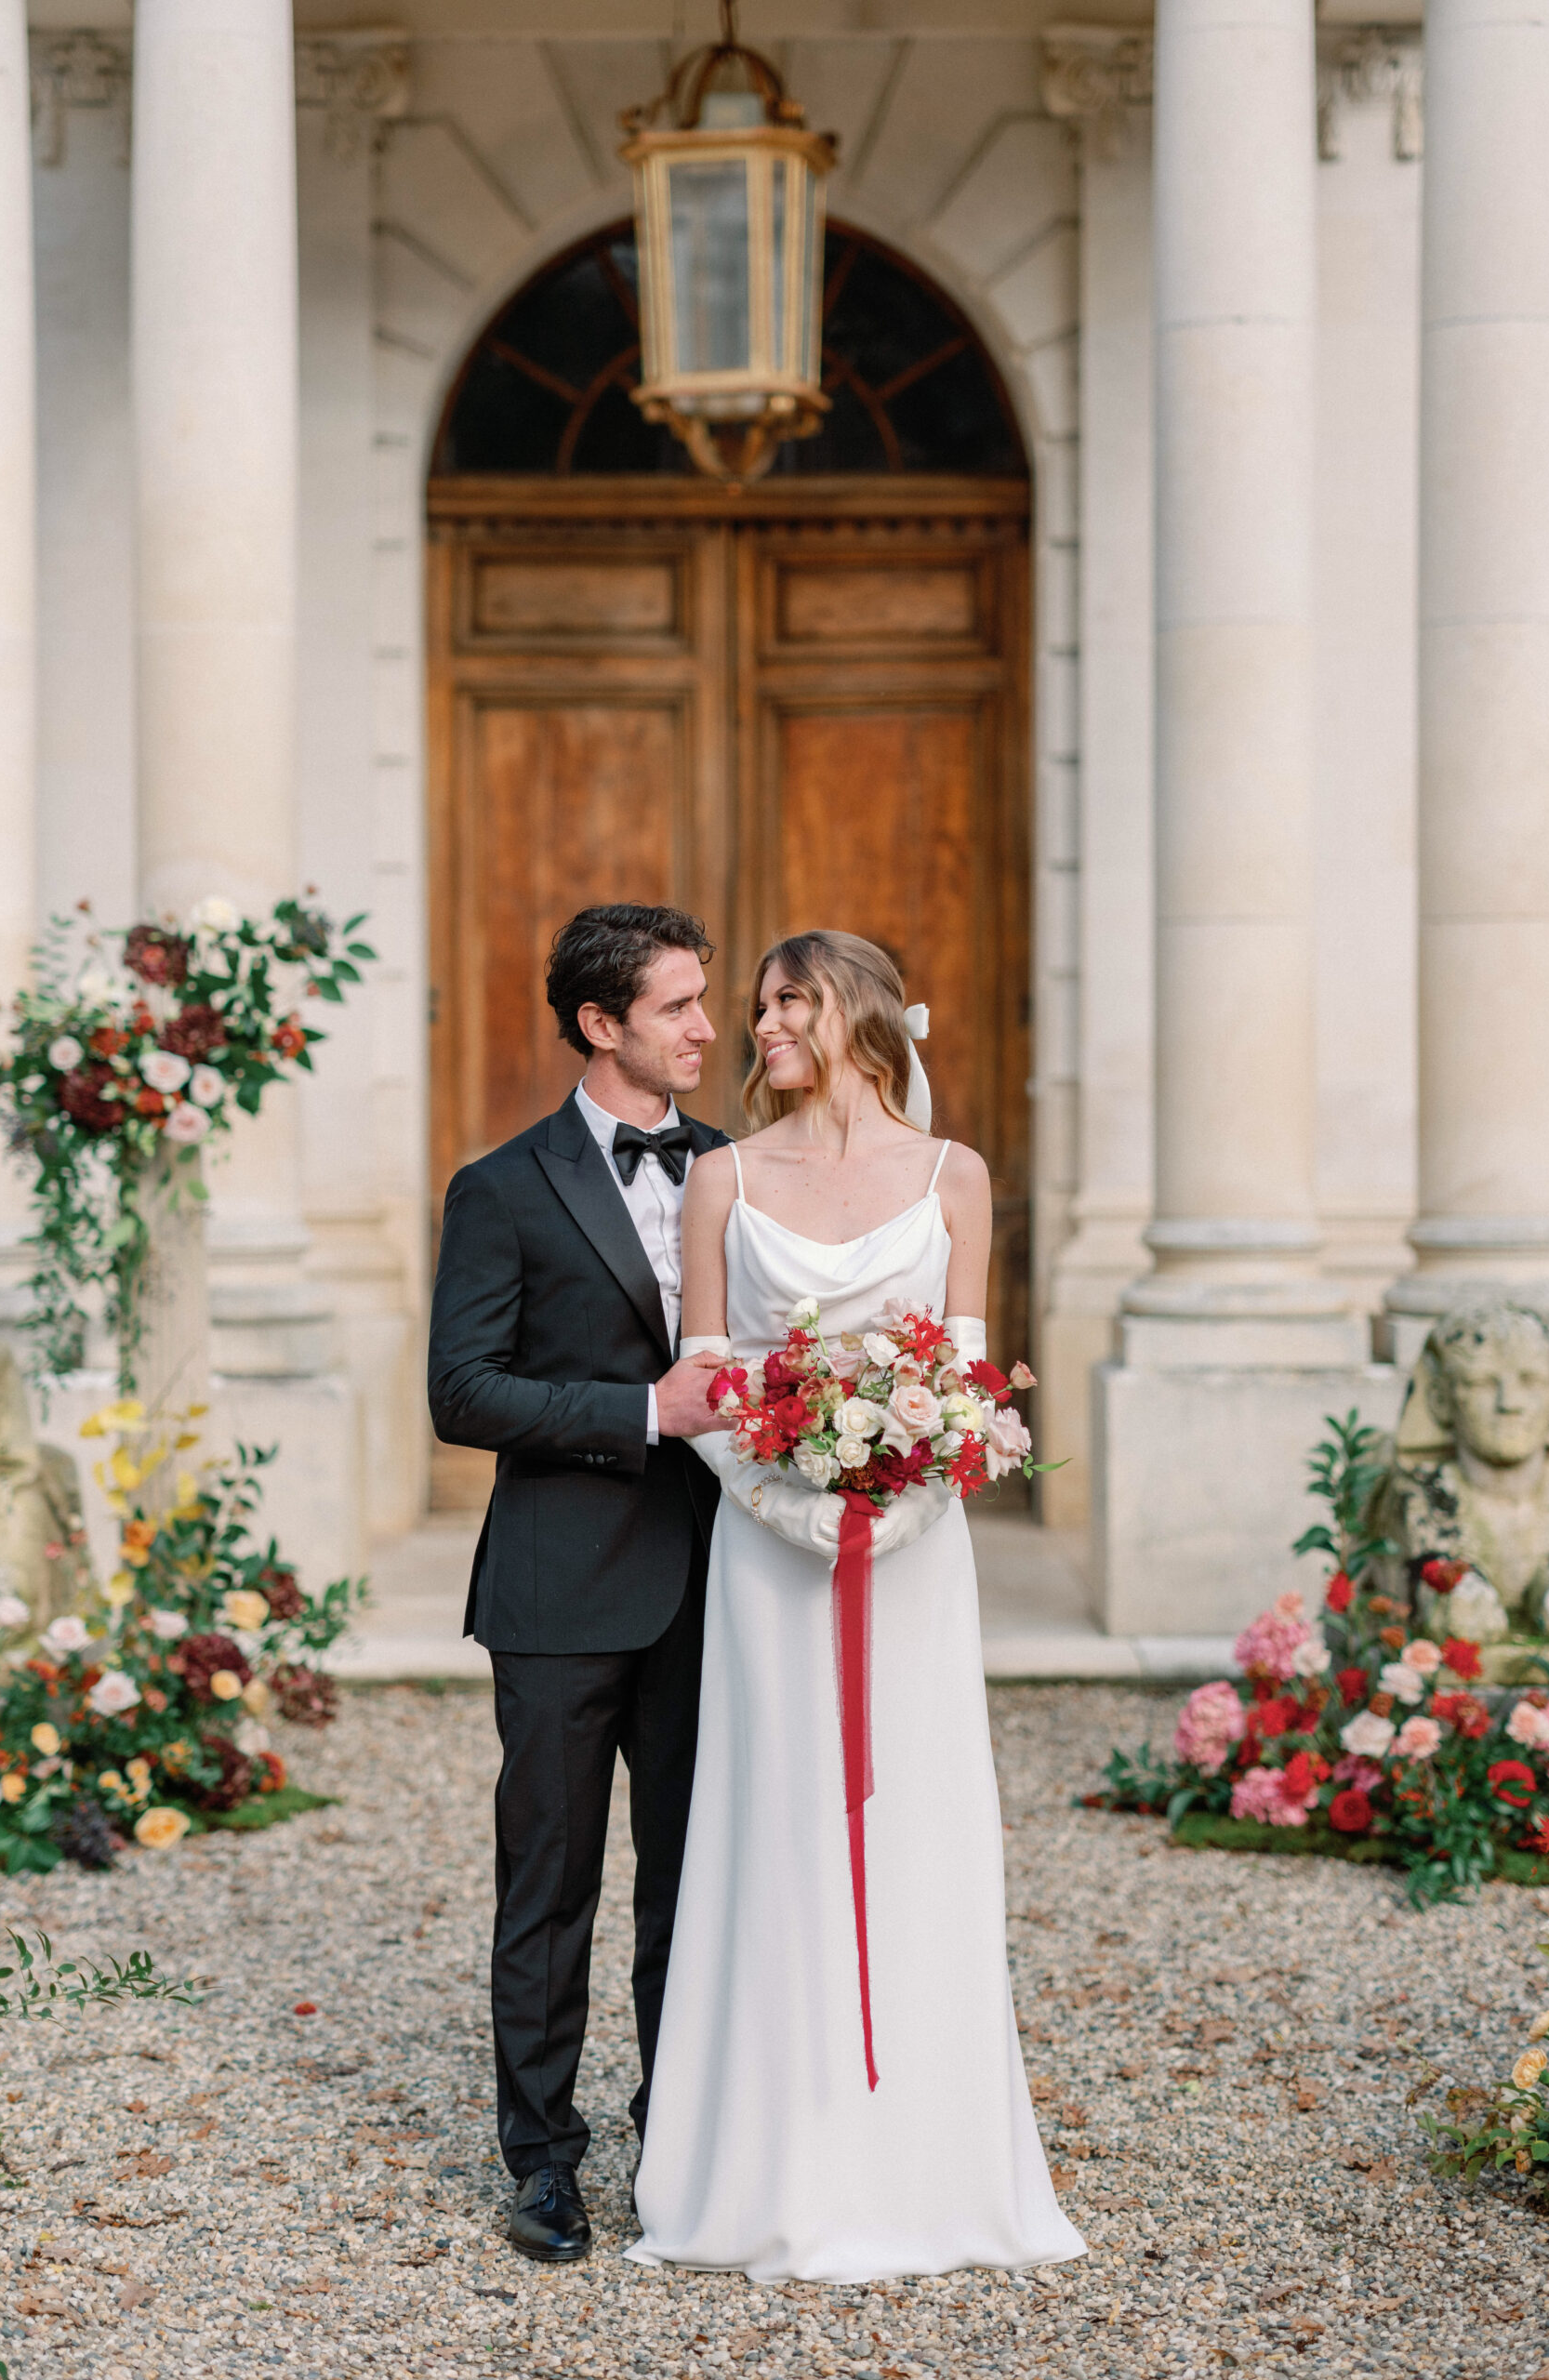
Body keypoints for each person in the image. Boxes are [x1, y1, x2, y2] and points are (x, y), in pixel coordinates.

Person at [629, 929, 1087, 2283]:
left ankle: (931, 2171)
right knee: (775, 1825)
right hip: (769, 1556)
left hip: (913, 1559)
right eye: (756, 1004)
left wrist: (898, 1508)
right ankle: (767, 2169)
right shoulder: (722, 1177)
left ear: (858, 1017)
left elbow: (974, 1382)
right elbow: (705, 1374)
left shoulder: (958, 1178)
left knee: (914, 1825)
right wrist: (792, 1508)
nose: (756, 1027)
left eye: (784, 1002)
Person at [428, 904, 734, 2265]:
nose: (710, 1029)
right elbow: (462, 1390)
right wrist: (646, 1409)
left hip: (724, 1590)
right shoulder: (498, 1187)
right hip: (557, 1594)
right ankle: (543, 2161)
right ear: (602, 1024)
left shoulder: (737, 1165)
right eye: (680, 1007)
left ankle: (678, 2139)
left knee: (695, 1885)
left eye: (707, 1001)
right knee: (548, 1889)